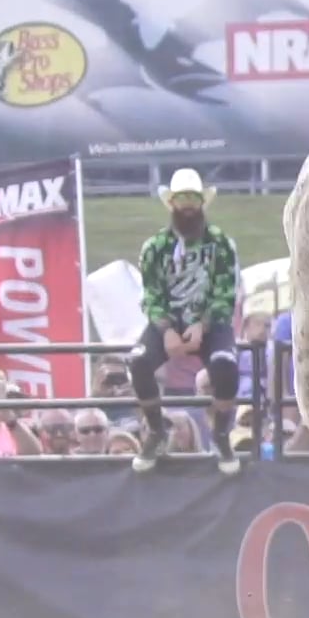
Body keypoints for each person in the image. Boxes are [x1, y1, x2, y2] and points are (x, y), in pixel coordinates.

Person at [128, 167, 243, 475]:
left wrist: (202, 325)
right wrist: (166, 330)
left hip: (210, 321)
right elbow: (151, 295)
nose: (188, 205)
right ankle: (156, 431)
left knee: (225, 365)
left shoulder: (221, 243)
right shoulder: (154, 248)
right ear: (172, 204)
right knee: (138, 361)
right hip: (169, 320)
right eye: (182, 199)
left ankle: (220, 435)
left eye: (193, 198)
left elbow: (226, 293)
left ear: (202, 202)